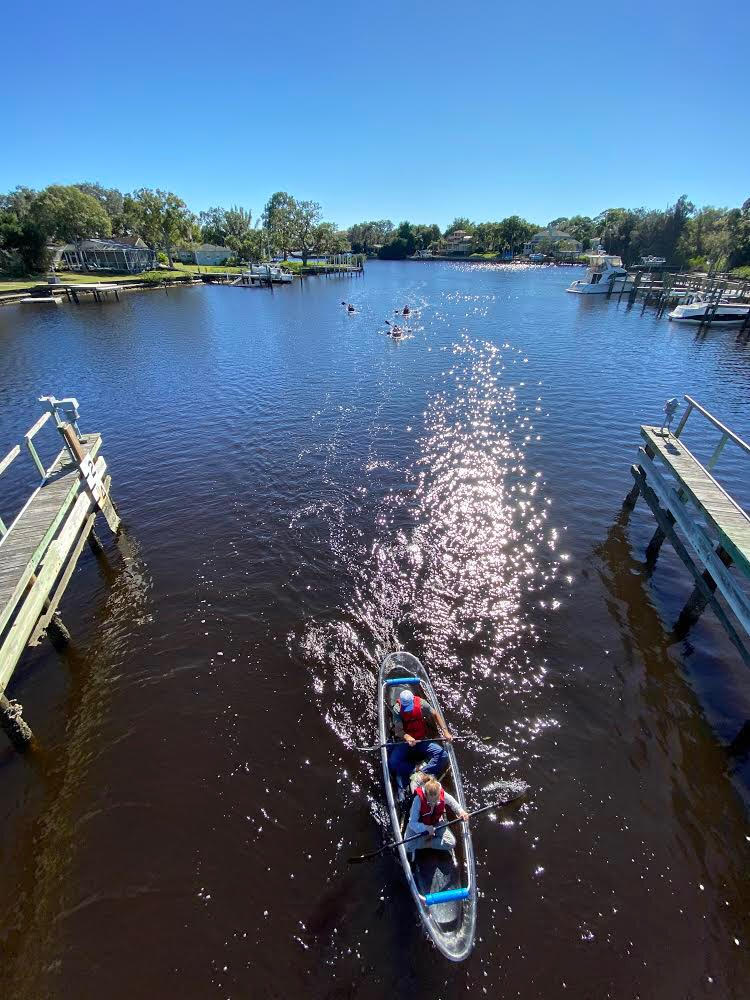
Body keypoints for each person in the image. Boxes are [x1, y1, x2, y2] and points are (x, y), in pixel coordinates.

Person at [388, 688, 452, 793]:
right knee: (392, 763)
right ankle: (415, 769)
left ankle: (421, 774)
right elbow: (398, 731)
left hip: (421, 740)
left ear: (413, 700)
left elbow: (435, 714)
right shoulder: (397, 709)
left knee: (443, 755)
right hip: (406, 743)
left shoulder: (422, 704)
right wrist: (407, 737)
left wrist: (445, 731)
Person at [405, 776, 469, 854]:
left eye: (436, 802)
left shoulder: (442, 793)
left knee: (451, 843)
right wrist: (425, 828)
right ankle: (427, 839)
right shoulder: (417, 801)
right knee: (408, 847)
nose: (433, 804)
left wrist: (461, 811)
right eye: (430, 803)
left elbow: (452, 802)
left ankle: (426, 843)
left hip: (436, 822)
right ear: (425, 795)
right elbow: (412, 823)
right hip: (420, 823)